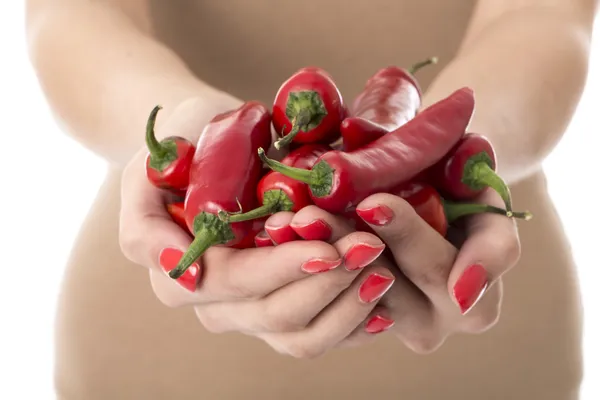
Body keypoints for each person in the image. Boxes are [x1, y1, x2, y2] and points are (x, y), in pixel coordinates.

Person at [26, 0, 597, 399]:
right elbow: (72, 11)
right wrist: (188, 126)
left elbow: (542, 13)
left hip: (488, 372)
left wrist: (468, 148)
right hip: (153, 371)